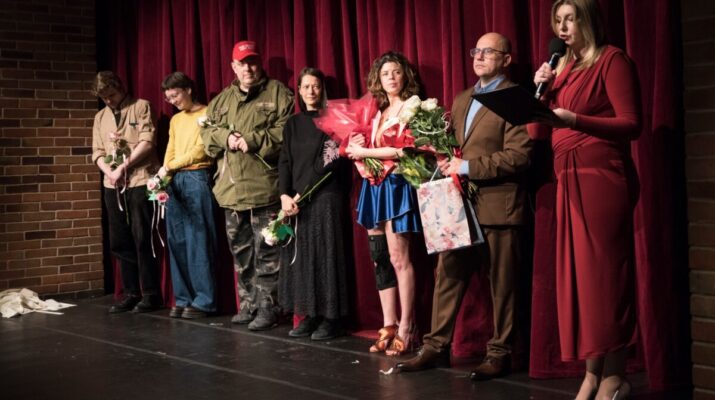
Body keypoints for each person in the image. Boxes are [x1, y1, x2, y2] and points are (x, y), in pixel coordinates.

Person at [396, 32, 533, 380]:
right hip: (458, 206)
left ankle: (500, 353)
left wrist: (468, 167)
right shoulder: (462, 99)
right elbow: (454, 147)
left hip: (499, 205)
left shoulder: (516, 99)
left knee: (502, 284)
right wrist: (439, 159)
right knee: (448, 274)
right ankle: (435, 346)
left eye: (489, 51)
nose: (480, 56)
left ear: (506, 59)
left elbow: (520, 156)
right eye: (476, 50)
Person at [531, 0, 641, 398]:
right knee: (582, 280)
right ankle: (592, 374)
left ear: (587, 20)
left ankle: (615, 375)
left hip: (601, 177)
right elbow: (534, 134)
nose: (562, 28)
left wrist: (574, 120)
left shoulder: (611, 60)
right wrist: (539, 90)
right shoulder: (561, 69)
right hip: (568, 177)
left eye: (570, 18)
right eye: (557, 20)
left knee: (605, 278)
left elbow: (632, 124)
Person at [201, 40, 294, 331]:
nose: (247, 68)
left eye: (252, 62)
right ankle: (249, 304)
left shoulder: (278, 93)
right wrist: (224, 139)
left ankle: (269, 308)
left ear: (260, 63)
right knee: (241, 253)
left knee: (268, 252)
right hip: (231, 191)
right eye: (241, 63)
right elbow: (205, 135)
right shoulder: (221, 101)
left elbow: (286, 132)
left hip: (264, 189)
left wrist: (252, 140)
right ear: (233, 66)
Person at [344, 51, 422, 356]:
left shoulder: (412, 108)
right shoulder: (377, 112)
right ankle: (388, 325)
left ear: (405, 76)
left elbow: (407, 151)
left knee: (399, 257)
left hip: (397, 187)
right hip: (374, 188)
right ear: (378, 79)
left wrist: (365, 155)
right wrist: (357, 147)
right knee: (379, 257)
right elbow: (366, 149)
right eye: (385, 73)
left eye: (396, 72)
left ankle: (408, 327)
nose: (391, 77)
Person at [277, 67, 349, 340]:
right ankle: (309, 314)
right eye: (306, 87)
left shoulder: (333, 120)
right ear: (299, 90)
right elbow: (284, 161)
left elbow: (328, 163)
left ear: (322, 89)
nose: (311, 91)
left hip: (324, 196)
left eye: (315, 86)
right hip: (296, 200)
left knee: (325, 257)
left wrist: (301, 194)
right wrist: (284, 195)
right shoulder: (292, 124)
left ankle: (331, 318)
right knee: (303, 259)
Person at [90, 71, 163, 314]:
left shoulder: (141, 106)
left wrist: (123, 166)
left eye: (111, 95)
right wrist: (109, 172)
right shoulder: (100, 117)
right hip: (113, 183)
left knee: (142, 237)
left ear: (120, 87)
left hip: (140, 180)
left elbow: (147, 141)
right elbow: (97, 152)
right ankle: (131, 292)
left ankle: (151, 293)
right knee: (119, 239)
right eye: (104, 98)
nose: (109, 101)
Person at [158, 72, 217, 319]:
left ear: (189, 90)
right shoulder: (175, 120)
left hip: (196, 176)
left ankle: (204, 301)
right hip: (174, 180)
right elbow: (170, 151)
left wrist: (171, 166)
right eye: (169, 98)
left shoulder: (207, 113)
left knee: (198, 242)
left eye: (176, 95)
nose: (173, 101)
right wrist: (163, 176)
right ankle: (183, 298)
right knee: (177, 241)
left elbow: (201, 150)